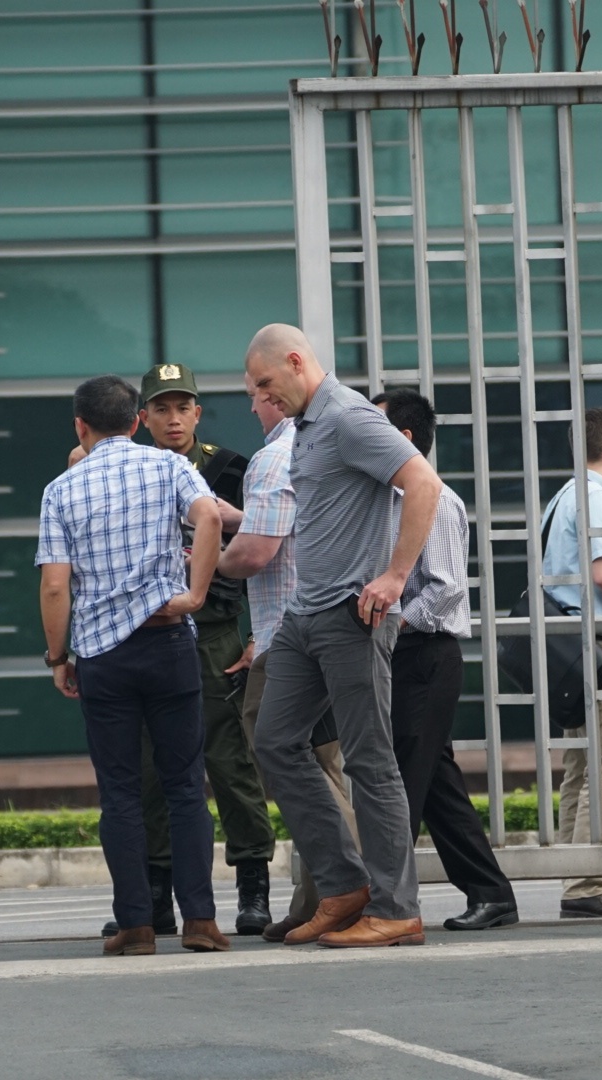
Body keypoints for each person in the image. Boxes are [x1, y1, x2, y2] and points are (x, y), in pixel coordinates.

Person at [242, 323, 440, 949]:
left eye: (267, 384)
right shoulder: (303, 428)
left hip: (352, 617)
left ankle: (396, 908)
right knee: (274, 742)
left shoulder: (351, 417)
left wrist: (395, 577)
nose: (263, 398)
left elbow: (424, 485)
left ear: (297, 363)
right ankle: (344, 886)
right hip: (304, 615)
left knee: (368, 759)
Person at [37, 375, 229, 957]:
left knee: (120, 792)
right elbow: (212, 520)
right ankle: (200, 920)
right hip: (169, 641)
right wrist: (195, 596)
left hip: (102, 654)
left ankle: (137, 925)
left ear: (80, 426)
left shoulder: (61, 489)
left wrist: (58, 656)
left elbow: (53, 586)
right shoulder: (170, 468)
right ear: (137, 421)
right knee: (185, 786)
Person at [102, 363, 276, 939]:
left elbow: (262, 550)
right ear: (142, 418)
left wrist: (258, 635)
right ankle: (155, 893)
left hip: (218, 628)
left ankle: (253, 882)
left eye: (183, 407)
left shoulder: (228, 468)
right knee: (152, 768)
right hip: (148, 632)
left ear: (198, 413)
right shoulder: (127, 472)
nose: (173, 418)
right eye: (161, 408)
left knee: (229, 762)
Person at [372, 387, 520, 931]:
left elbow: (445, 591)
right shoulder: (385, 499)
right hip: (398, 652)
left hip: (422, 654)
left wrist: (388, 619)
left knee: (400, 785)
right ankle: (491, 892)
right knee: (434, 784)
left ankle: (388, 905)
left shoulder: (433, 499)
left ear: (403, 439)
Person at [219, 385, 359, 941]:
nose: (251, 408)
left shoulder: (274, 456)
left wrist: (204, 560)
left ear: (276, 396)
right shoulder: (303, 450)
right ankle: (318, 895)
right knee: (321, 765)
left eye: (255, 395)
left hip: (289, 640)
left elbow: (256, 553)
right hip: (309, 632)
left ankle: (348, 885)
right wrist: (238, 520)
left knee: (292, 762)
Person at [540, 408, 602, 919]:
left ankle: (576, 878)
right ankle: (588, 883)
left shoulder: (563, 495)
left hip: (567, 644)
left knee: (580, 766)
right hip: (597, 643)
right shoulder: (597, 494)